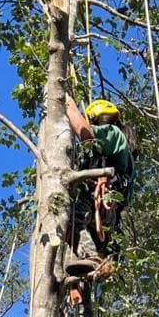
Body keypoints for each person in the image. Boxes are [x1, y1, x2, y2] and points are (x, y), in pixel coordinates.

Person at [64, 95, 136, 280]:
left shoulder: (113, 133)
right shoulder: (120, 149)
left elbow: (87, 136)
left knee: (68, 217)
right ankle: (88, 269)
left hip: (100, 199)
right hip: (108, 215)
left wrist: (68, 105)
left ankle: (91, 256)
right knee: (74, 249)